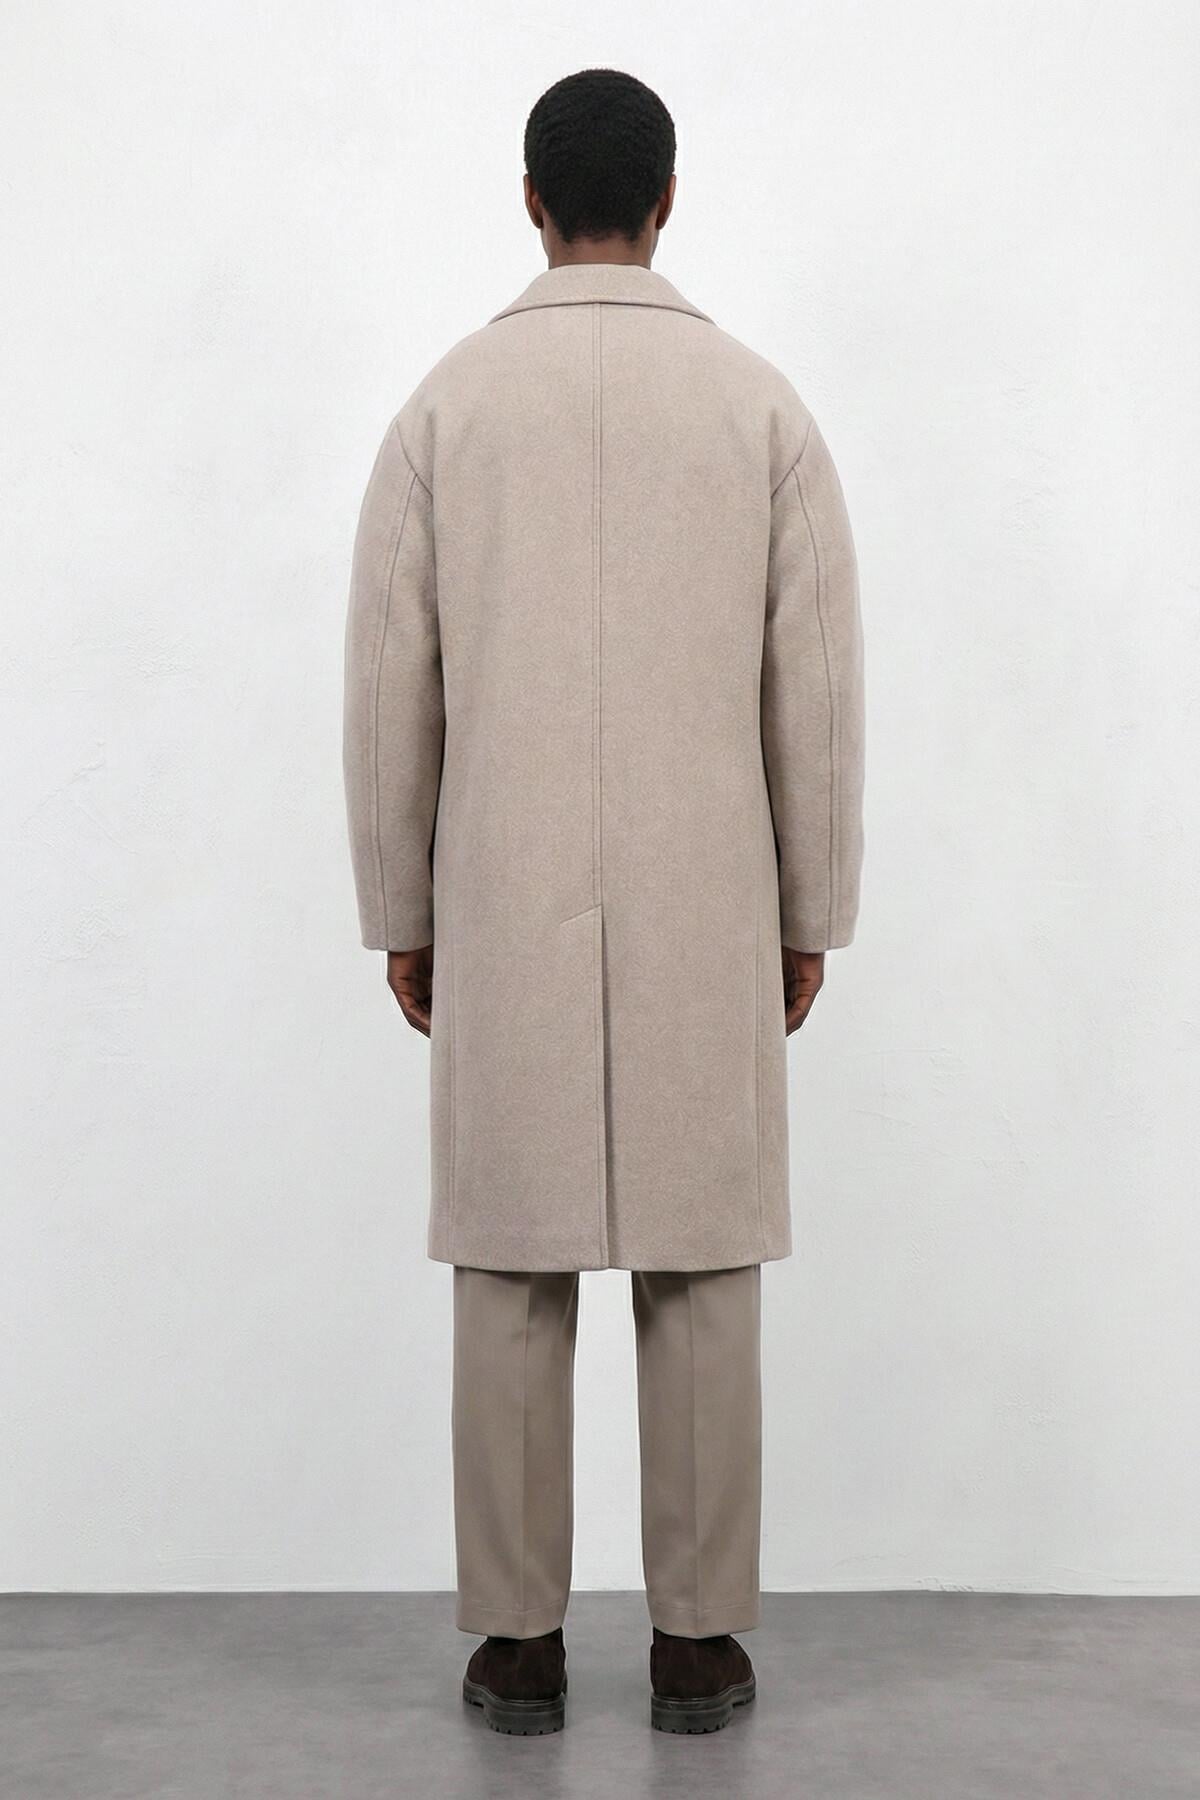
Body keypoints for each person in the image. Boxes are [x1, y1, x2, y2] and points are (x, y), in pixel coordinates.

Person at [343, 66, 865, 1737]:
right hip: (710, 886)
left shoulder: (445, 412)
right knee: (700, 1261)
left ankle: (517, 1648)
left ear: (529, 200)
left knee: (512, 1262)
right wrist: (812, 908)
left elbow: (391, 686)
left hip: (500, 883)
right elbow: (815, 689)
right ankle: (699, 1647)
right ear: (665, 199)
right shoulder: (759, 410)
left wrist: (401, 903)